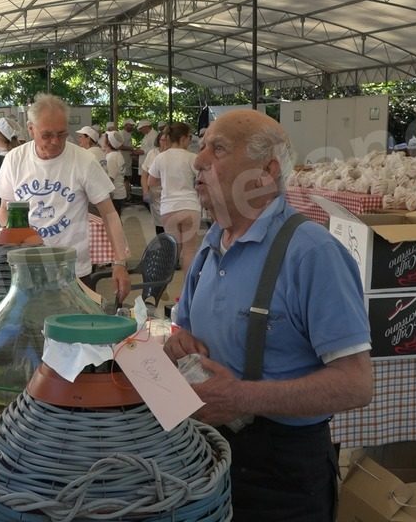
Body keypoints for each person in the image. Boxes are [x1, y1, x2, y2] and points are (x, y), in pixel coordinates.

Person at [164, 109, 372, 522]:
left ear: (266, 170)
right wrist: (176, 342)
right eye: (201, 145)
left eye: (217, 149)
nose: (198, 159)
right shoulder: (211, 243)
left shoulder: (312, 253)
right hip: (207, 456)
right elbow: (181, 328)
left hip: (282, 476)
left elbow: (356, 385)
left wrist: (241, 396)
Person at [0, 94, 132, 299]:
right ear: (31, 129)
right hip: (26, 268)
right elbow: (5, 210)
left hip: (72, 270)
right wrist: (19, 236)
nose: (55, 141)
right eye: (47, 135)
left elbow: (109, 214)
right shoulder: (15, 159)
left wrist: (119, 263)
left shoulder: (84, 160)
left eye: (62, 134)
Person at [148, 122, 201, 275]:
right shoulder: (192, 157)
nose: (190, 140)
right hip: (190, 206)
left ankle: (162, 283)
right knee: (189, 250)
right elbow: (202, 178)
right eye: (190, 137)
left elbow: (151, 182)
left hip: (168, 209)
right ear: (183, 138)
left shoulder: (160, 158)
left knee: (172, 250)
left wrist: (165, 183)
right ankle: (186, 291)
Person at [141, 129, 170, 235]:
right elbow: (144, 175)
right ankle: (162, 247)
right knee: (159, 225)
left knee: (170, 225)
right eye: (162, 140)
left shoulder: (173, 154)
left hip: (170, 194)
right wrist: (145, 191)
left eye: (167, 140)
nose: (164, 143)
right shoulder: (152, 154)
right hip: (155, 195)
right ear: (158, 140)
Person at [102, 131, 127, 214]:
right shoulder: (117, 154)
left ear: (108, 142)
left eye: (104, 138)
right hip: (120, 192)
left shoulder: (111, 157)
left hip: (114, 195)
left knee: (113, 221)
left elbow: (110, 178)